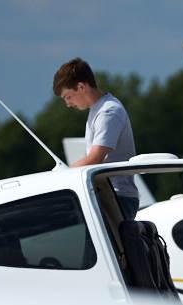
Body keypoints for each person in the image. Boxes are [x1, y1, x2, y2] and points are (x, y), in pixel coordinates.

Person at [52, 58, 139, 221]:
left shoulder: (108, 112)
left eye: (68, 96)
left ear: (81, 87)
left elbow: (95, 158)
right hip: (109, 196)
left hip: (117, 197)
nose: (68, 104)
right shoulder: (98, 110)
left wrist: (59, 176)